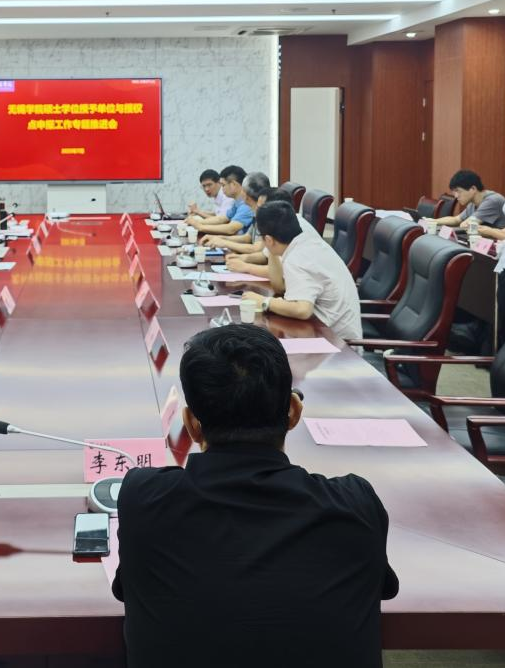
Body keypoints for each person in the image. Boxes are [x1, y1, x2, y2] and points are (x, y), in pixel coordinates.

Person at [113, 324, 397, 668]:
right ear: (293, 411)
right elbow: (380, 589)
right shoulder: (355, 504)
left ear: (191, 424)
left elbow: (127, 590)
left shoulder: (143, 499)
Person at [242, 200, 362, 340]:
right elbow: (280, 287)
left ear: (268, 239)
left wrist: (264, 301)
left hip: (339, 343)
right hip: (324, 329)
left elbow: (302, 310)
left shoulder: (298, 258)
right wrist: (271, 251)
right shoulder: (304, 243)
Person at [202, 171, 270, 251]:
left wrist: (225, 243)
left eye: (243, 189)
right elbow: (247, 237)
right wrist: (219, 238)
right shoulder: (253, 209)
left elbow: (256, 248)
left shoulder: (262, 212)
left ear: (247, 194)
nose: (241, 191)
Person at [186, 165, 254, 236]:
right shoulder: (238, 202)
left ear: (233, 184)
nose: (222, 188)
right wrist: (196, 222)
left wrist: (200, 226)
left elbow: (230, 229)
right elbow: (221, 219)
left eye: (223, 185)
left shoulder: (247, 204)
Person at [434, 169, 505, 236]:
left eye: (458, 191)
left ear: (473, 189)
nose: (456, 196)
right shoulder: (473, 201)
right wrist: (433, 221)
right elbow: (456, 220)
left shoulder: (492, 200)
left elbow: (467, 224)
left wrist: (463, 225)